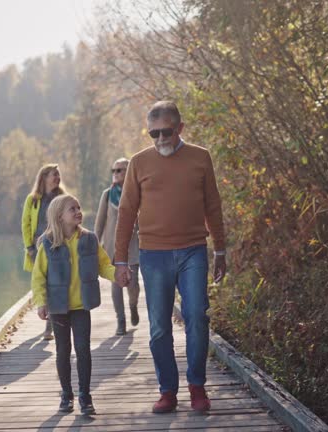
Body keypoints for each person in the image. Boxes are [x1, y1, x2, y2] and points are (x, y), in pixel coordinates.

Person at [113, 101, 227, 413]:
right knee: (160, 327)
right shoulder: (138, 162)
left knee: (196, 317)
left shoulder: (200, 158)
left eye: (165, 131)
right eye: (153, 133)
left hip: (193, 250)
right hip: (154, 255)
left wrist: (220, 250)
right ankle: (168, 391)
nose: (160, 139)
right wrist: (120, 260)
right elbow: (125, 212)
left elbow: (213, 206)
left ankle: (197, 387)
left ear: (180, 128)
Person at [31, 194, 116, 415]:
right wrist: (41, 302)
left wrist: (118, 275)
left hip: (81, 306)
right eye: (72, 209)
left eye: (79, 207)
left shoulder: (89, 239)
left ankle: (85, 396)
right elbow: (38, 277)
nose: (78, 211)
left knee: (83, 350)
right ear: (60, 216)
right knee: (62, 351)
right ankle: (66, 395)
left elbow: (104, 264)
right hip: (58, 308)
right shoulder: (48, 244)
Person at [94, 157, 141, 336]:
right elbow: (100, 221)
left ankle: (133, 305)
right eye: (114, 170)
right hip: (112, 248)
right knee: (116, 285)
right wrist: (94, 242)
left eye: (120, 170)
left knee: (133, 284)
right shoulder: (107, 194)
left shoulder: (137, 192)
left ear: (128, 172)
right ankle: (120, 321)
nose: (116, 173)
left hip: (133, 246)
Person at [22, 163, 65, 340]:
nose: (57, 177)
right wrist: (29, 247)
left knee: (53, 286)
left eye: (58, 174)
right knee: (42, 284)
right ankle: (46, 316)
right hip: (37, 248)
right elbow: (25, 224)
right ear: (44, 178)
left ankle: (50, 326)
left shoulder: (63, 198)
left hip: (56, 246)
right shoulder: (32, 200)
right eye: (53, 174)